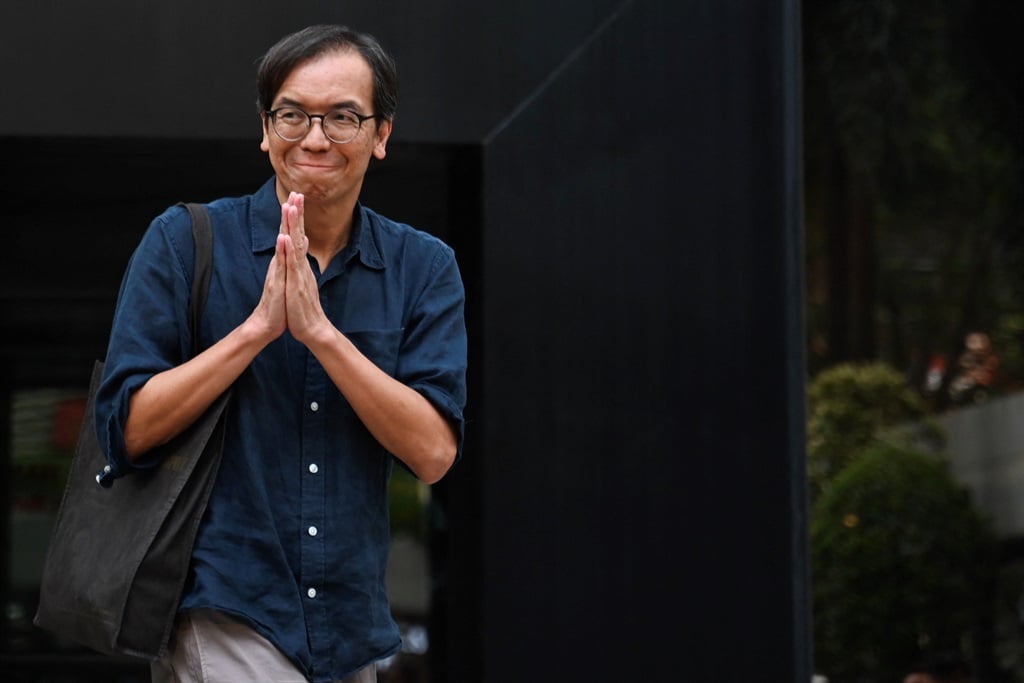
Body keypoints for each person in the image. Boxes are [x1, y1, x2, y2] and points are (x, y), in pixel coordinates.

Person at [94, 24, 468, 683]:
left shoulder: (423, 266)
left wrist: (322, 334)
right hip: (224, 605)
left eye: (343, 117)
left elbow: (434, 453)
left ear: (381, 135)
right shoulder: (184, 241)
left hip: (352, 627)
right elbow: (126, 429)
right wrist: (256, 330)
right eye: (293, 114)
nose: (315, 137)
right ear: (266, 129)